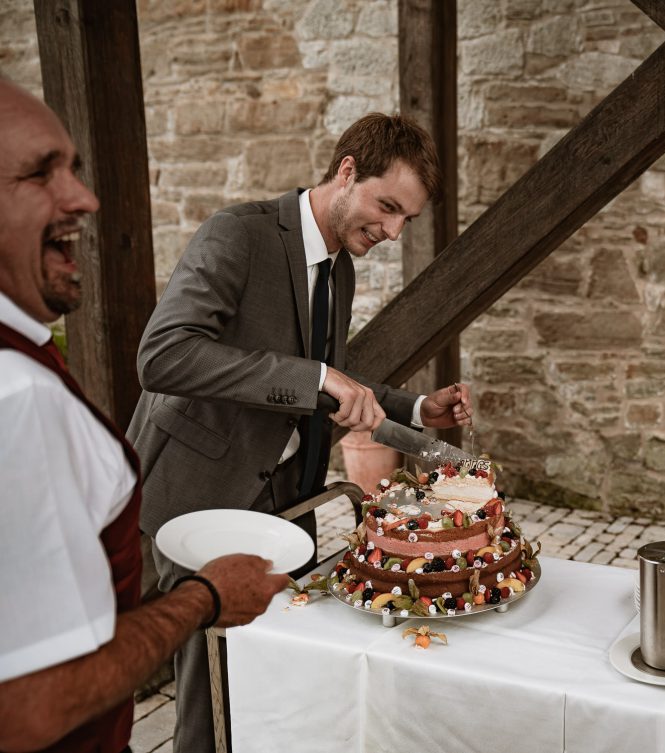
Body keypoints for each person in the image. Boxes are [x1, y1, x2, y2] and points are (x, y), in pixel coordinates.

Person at [126, 112, 473, 752]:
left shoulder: (338, 264)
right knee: (214, 693)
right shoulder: (237, 235)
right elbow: (163, 355)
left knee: (279, 680)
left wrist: (418, 409)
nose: (394, 231)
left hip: (289, 500)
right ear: (346, 172)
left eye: (407, 220)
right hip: (204, 496)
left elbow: (326, 375)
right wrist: (313, 376)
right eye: (388, 206)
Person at [0, 80, 289, 753]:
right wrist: (205, 597)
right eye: (41, 173)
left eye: (73, 167)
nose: (84, 198)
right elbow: (31, 703)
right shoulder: (19, 396)